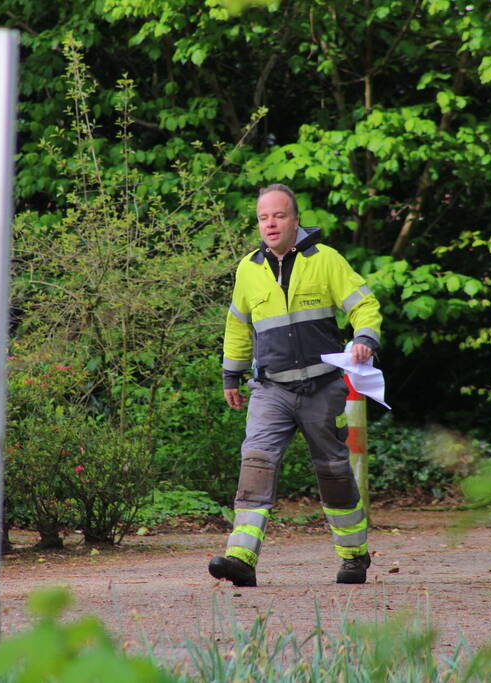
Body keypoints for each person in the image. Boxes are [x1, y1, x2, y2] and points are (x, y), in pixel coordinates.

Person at [208, 184, 382, 587]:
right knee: (255, 464)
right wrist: (231, 374)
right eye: (263, 217)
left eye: (278, 216)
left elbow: (364, 305)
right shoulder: (248, 269)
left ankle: (353, 556)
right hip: (271, 391)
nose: (270, 224)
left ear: (295, 220)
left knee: (334, 472)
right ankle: (241, 558)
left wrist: (364, 338)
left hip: (323, 388)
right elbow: (238, 325)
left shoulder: (326, 260)